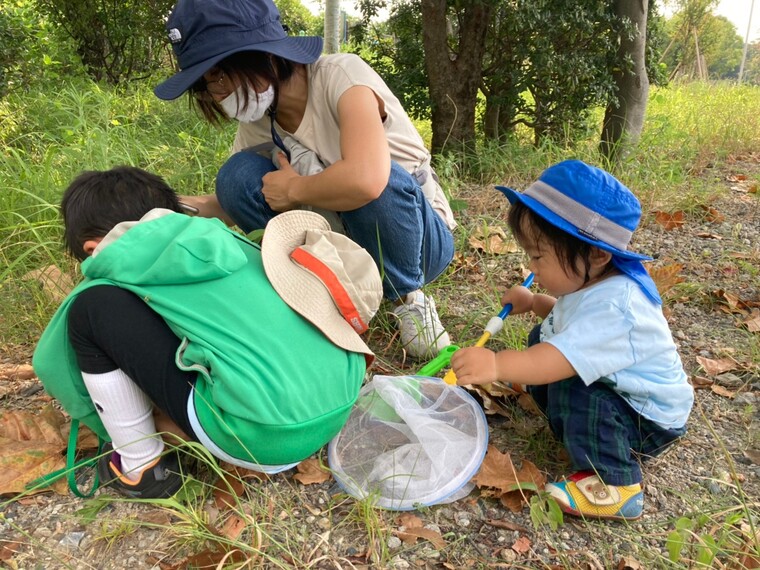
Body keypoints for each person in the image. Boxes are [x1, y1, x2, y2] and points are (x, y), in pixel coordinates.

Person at [32, 166, 382, 499]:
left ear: (92, 248)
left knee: (93, 310)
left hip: (266, 436)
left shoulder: (109, 276)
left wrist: (103, 420)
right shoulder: (231, 239)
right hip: (341, 401)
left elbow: (51, 363)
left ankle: (140, 465)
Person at [152, 0, 456, 360]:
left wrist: (295, 189)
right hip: (344, 239)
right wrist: (166, 209)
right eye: (206, 85)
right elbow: (233, 201)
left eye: (219, 75)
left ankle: (408, 298)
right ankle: (321, 289)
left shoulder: (342, 76)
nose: (216, 93)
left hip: (415, 240)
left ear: (261, 54)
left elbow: (369, 180)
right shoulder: (260, 121)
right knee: (235, 177)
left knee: (376, 179)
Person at [450, 160, 694, 520]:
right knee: (546, 338)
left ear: (597, 254)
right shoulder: (592, 281)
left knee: (571, 381)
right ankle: (571, 423)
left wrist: (497, 363)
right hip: (621, 394)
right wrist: (534, 302)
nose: (532, 268)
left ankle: (616, 485)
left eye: (538, 256)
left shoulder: (617, 306)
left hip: (645, 419)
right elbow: (568, 321)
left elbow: (555, 358)